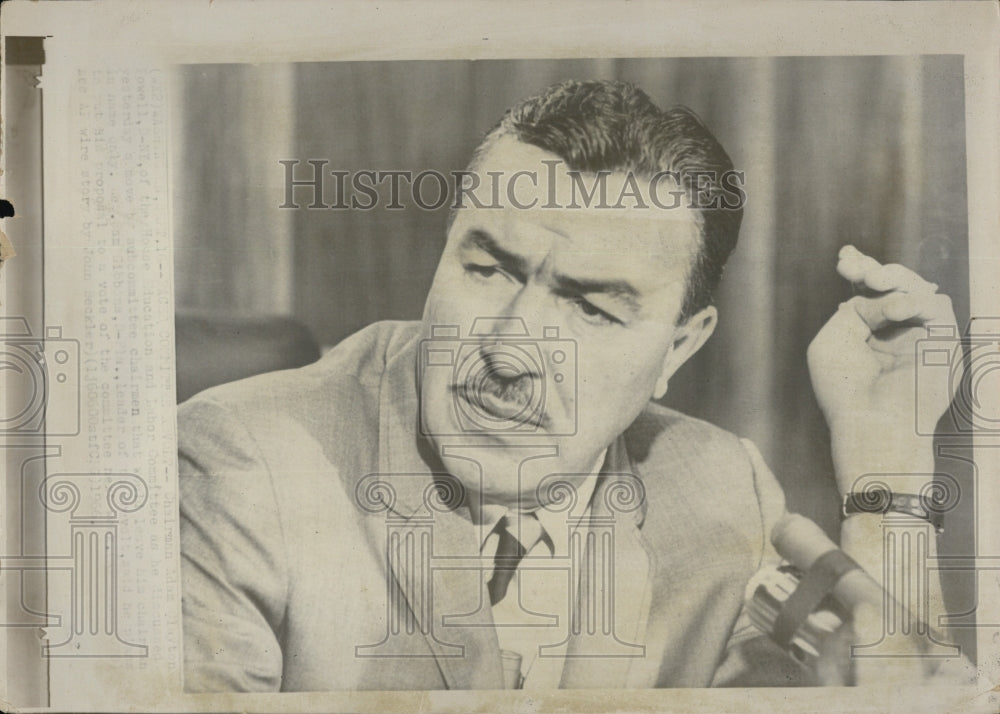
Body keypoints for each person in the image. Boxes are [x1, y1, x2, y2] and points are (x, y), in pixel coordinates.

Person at [178, 79, 964, 691]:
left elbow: (897, 687)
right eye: (486, 269)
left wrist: (885, 468)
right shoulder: (238, 470)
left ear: (677, 350)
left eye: (591, 309)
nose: (511, 348)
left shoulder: (719, 488)